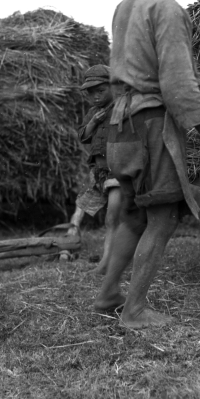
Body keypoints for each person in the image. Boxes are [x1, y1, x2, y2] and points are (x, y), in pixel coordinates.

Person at [95, 0, 200, 329]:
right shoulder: (167, 10)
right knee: (164, 217)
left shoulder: (125, 4)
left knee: (133, 213)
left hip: (120, 123)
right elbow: (177, 80)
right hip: (151, 123)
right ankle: (133, 312)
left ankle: (108, 294)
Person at [70, 64, 123, 275]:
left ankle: (107, 265)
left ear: (112, 87)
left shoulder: (121, 108)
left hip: (118, 172)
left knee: (112, 218)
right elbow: (83, 135)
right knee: (110, 216)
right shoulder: (93, 112)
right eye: (91, 93)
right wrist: (93, 122)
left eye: (101, 91)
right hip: (100, 173)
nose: (96, 97)